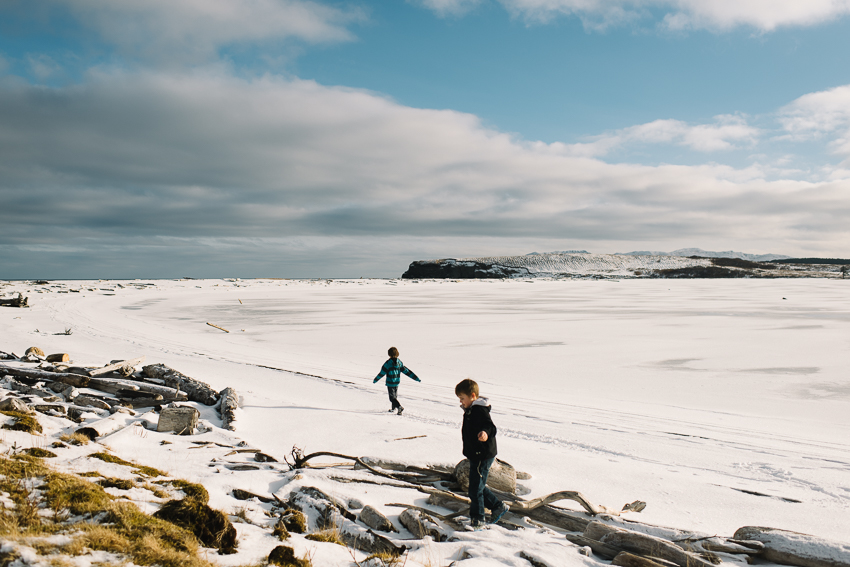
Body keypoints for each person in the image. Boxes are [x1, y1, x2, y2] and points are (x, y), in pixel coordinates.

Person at [455, 378, 509, 529]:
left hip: (482, 455)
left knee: (475, 489)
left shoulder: (479, 410)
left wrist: (485, 433)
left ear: (472, 396)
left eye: (462, 399)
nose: (461, 402)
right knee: (476, 486)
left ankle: (478, 519)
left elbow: (490, 427)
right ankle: (497, 506)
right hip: (476, 454)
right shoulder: (471, 409)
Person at [373, 347, 420, 415]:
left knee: (392, 398)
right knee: (395, 397)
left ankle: (399, 407)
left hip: (390, 383)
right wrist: (416, 378)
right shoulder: (399, 362)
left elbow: (382, 373)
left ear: (389, 354)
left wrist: (375, 380)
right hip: (397, 382)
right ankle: (393, 409)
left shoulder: (388, 363)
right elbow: (407, 371)